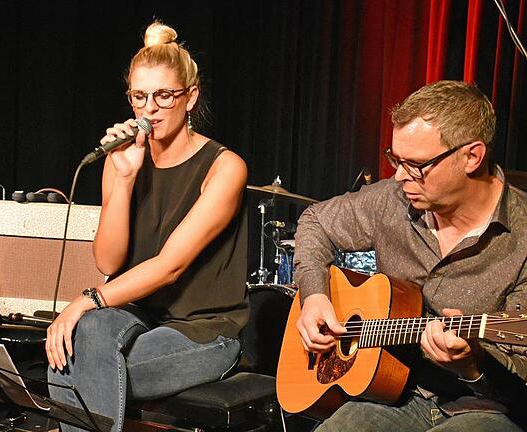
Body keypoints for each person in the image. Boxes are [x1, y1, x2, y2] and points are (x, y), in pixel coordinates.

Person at [45, 21, 249, 431]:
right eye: (139, 97)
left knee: (81, 368)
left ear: (190, 98)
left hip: (203, 330)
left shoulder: (225, 167)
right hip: (135, 314)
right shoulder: (123, 159)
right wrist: (121, 180)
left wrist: (83, 301)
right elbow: (108, 258)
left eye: (163, 96)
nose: (149, 109)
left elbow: (170, 266)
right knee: (76, 353)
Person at [294, 80, 526, 431]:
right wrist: (314, 296)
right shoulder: (392, 200)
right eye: (395, 159)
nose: (399, 176)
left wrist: (471, 366)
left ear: (472, 156)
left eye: (416, 164)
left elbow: (520, 380)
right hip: (394, 394)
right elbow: (315, 221)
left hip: (484, 409)